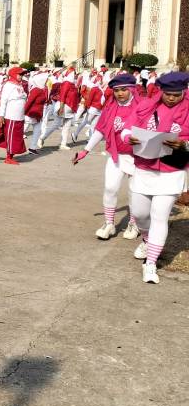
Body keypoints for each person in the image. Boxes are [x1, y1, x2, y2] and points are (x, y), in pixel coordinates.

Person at [122, 72, 189, 284]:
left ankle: (150, 263)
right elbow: (125, 129)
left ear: (184, 92)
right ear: (161, 91)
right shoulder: (146, 107)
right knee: (140, 214)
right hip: (144, 167)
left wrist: (184, 145)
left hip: (172, 170)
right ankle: (147, 240)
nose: (172, 98)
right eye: (168, 94)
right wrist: (129, 137)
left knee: (160, 216)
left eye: (176, 94)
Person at [73, 73, 141, 240]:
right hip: (116, 156)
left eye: (124, 90)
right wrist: (85, 151)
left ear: (132, 89)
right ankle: (109, 223)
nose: (120, 93)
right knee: (110, 188)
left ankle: (134, 223)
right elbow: (100, 130)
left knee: (135, 193)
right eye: (116, 90)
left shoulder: (143, 107)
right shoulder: (110, 107)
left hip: (138, 159)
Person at [24, 72, 48, 155]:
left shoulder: (40, 89)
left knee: (37, 131)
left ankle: (32, 148)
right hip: (31, 113)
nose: (46, 81)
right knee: (22, 130)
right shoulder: (36, 90)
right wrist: (23, 113)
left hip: (37, 114)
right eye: (45, 80)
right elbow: (29, 102)